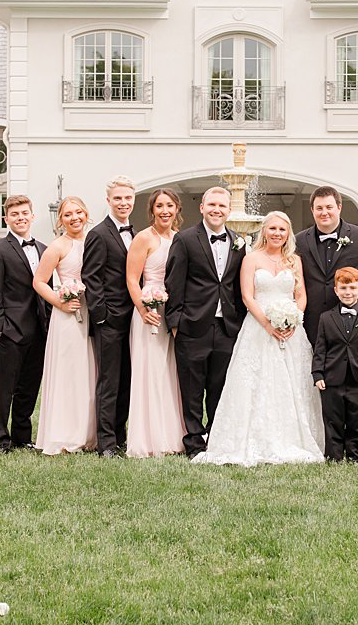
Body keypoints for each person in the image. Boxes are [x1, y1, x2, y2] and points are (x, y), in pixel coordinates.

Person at [194, 211, 324, 466]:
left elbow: (301, 295)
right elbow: (247, 296)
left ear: (288, 234)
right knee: (257, 382)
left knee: (292, 383)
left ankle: (294, 438)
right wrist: (267, 324)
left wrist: (294, 319)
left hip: (291, 332)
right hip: (258, 328)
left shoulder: (294, 261)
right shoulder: (251, 259)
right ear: (264, 231)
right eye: (273, 228)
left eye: (282, 230)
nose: (277, 234)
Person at [164, 186, 247, 458]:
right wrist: (175, 322)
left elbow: (236, 286)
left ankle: (216, 436)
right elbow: (174, 282)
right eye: (212, 204)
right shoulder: (186, 240)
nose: (217, 210)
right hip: (192, 325)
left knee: (219, 387)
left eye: (222, 206)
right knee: (191, 387)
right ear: (202, 207)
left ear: (228, 210)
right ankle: (193, 442)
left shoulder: (238, 243)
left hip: (226, 327)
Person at [0, 195, 49, 453]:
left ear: (32, 216)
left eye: (25, 213)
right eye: (15, 214)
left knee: (29, 387)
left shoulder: (43, 249)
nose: (21, 218)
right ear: (6, 219)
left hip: (39, 330)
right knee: (5, 388)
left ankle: (22, 436)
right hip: (10, 330)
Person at [33, 196, 98, 455]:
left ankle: (88, 433)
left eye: (79, 212)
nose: (75, 218)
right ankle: (64, 434)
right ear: (61, 219)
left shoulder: (94, 242)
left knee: (88, 372)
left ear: (86, 214)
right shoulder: (58, 246)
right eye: (68, 214)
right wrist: (59, 303)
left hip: (91, 313)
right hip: (68, 316)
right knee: (69, 373)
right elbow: (39, 281)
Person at [124, 188, 186, 457]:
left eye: (169, 206)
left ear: (177, 209)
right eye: (159, 206)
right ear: (152, 210)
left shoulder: (179, 238)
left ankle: (173, 436)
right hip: (148, 311)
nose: (164, 210)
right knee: (149, 372)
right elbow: (131, 278)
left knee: (169, 372)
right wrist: (142, 307)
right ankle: (149, 439)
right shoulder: (143, 238)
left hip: (173, 312)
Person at [83, 175, 136, 457]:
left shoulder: (136, 234)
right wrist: (102, 316)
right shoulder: (98, 234)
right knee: (109, 382)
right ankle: (105, 443)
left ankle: (120, 434)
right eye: (118, 198)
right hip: (110, 321)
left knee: (127, 380)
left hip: (134, 320)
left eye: (128, 198)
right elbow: (91, 278)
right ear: (108, 201)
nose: (123, 203)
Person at [293, 186, 358, 343]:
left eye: (329, 207)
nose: (324, 212)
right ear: (312, 210)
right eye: (319, 208)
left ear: (339, 207)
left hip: (353, 324)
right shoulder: (298, 241)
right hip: (311, 325)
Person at [313, 267, 358, 462]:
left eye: (352, 288)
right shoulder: (326, 318)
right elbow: (321, 348)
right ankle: (334, 456)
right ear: (335, 290)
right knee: (333, 419)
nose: (348, 292)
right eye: (343, 288)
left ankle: (357, 455)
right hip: (332, 377)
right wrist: (318, 374)